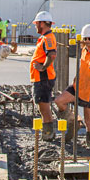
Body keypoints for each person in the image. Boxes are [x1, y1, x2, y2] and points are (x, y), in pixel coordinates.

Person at [54, 23, 90, 148]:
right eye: (85, 39)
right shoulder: (83, 50)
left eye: (89, 39)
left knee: (89, 121)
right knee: (59, 101)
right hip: (78, 86)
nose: (87, 41)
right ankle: (74, 121)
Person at [29, 11, 57, 139]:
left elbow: (51, 55)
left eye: (36, 24)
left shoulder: (48, 38)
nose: (35, 26)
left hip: (43, 78)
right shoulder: (45, 37)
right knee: (42, 106)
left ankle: (48, 133)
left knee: (44, 106)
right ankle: (48, 132)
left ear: (42, 23)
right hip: (41, 78)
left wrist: (43, 67)